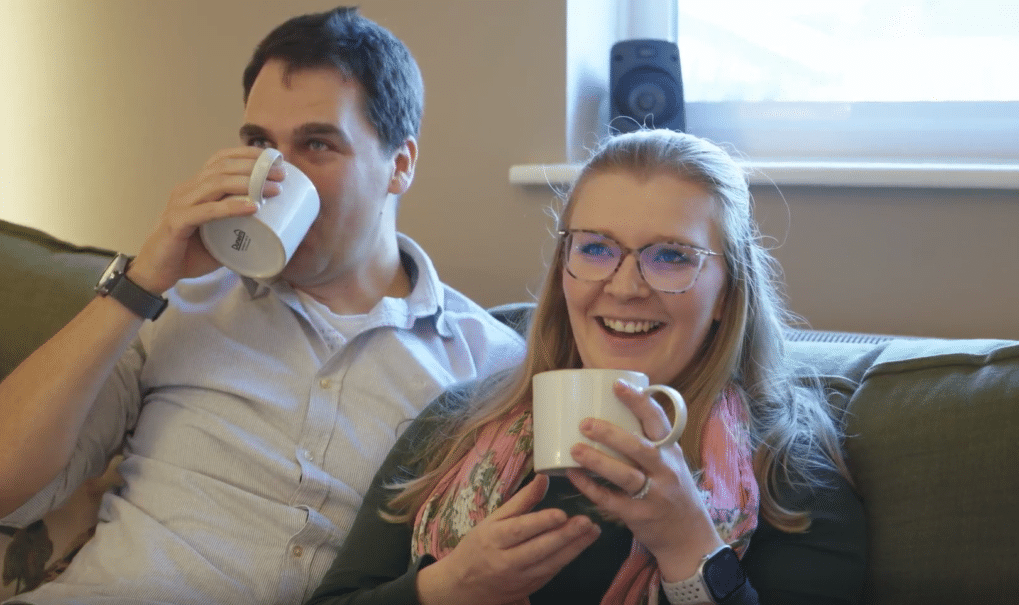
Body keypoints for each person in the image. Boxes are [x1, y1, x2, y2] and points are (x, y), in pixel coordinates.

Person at [0, 7, 524, 604]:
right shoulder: (175, 304)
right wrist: (142, 279)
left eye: (317, 144)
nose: (273, 178)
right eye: (259, 144)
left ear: (399, 165)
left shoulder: (489, 367)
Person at [305, 129, 868, 605]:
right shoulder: (456, 426)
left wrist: (689, 547)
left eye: (672, 256)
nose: (624, 288)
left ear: (728, 293)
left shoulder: (791, 472)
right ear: (563, 266)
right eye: (596, 248)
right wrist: (443, 587)